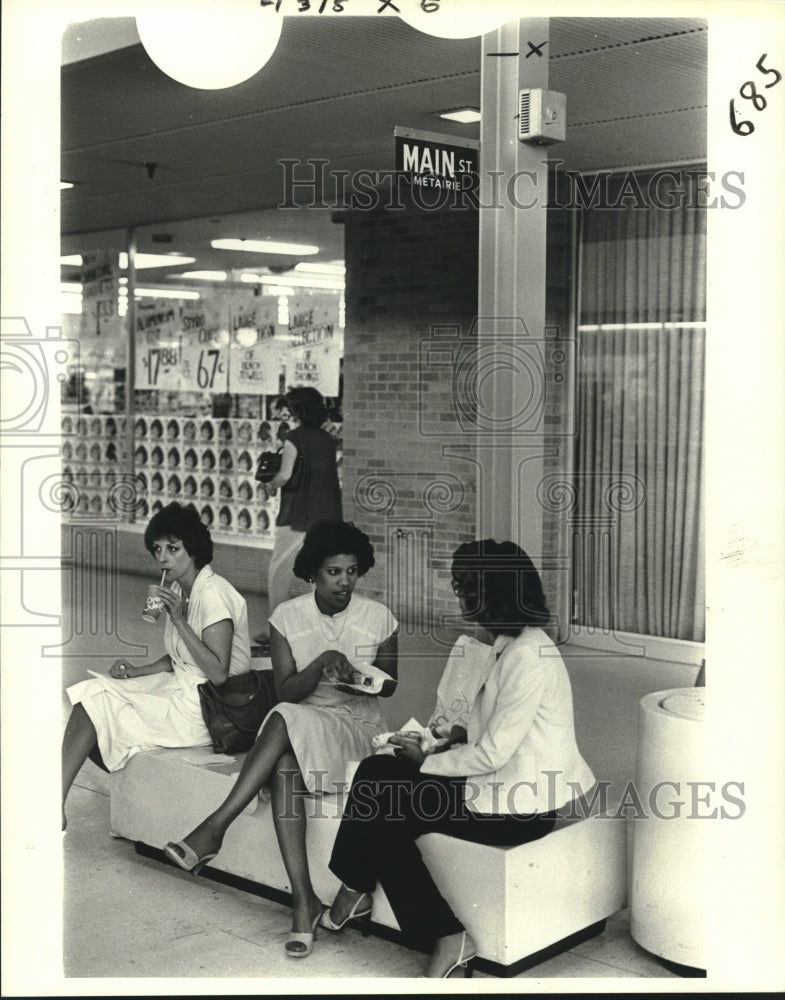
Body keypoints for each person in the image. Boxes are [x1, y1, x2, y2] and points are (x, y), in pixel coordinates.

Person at [322, 540, 596, 978]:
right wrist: (454, 735)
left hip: (520, 809)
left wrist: (422, 763)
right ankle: (357, 890)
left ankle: (439, 930)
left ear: (497, 593)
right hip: (501, 786)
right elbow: (502, 733)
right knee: (376, 774)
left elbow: (493, 754)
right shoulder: (513, 642)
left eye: (468, 588)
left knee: (384, 806)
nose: (461, 597)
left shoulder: (527, 656)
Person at [163, 521, 398, 960]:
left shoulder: (379, 616)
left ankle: (215, 827)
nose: (344, 581)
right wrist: (324, 664)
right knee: (285, 760)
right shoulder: (287, 617)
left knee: (283, 719)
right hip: (306, 718)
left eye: (351, 571)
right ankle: (303, 901)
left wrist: (362, 681)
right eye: (333, 572)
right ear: (313, 574)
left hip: (358, 730)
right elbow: (289, 688)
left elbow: (389, 685)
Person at [61, 502, 251, 832]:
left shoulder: (214, 595)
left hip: (207, 708)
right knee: (92, 695)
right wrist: (137, 671)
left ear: (192, 550)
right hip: (183, 689)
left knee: (97, 706)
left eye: (172, 548)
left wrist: (178, 620)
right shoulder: (181, 589)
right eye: (157, 549)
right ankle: (57, 798)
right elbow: (181, 657)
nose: (162, 557)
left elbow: (218, 672)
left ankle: (56, 799)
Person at [263, 387, 341, 621]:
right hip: (326, 512)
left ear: (297, 410)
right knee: (320, 569)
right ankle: (320, 623)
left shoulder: (294, 438)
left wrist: (269, 485)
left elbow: (285, 475)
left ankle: (277, 624)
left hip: (297, 512)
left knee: (279, 568)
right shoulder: (327, 439)